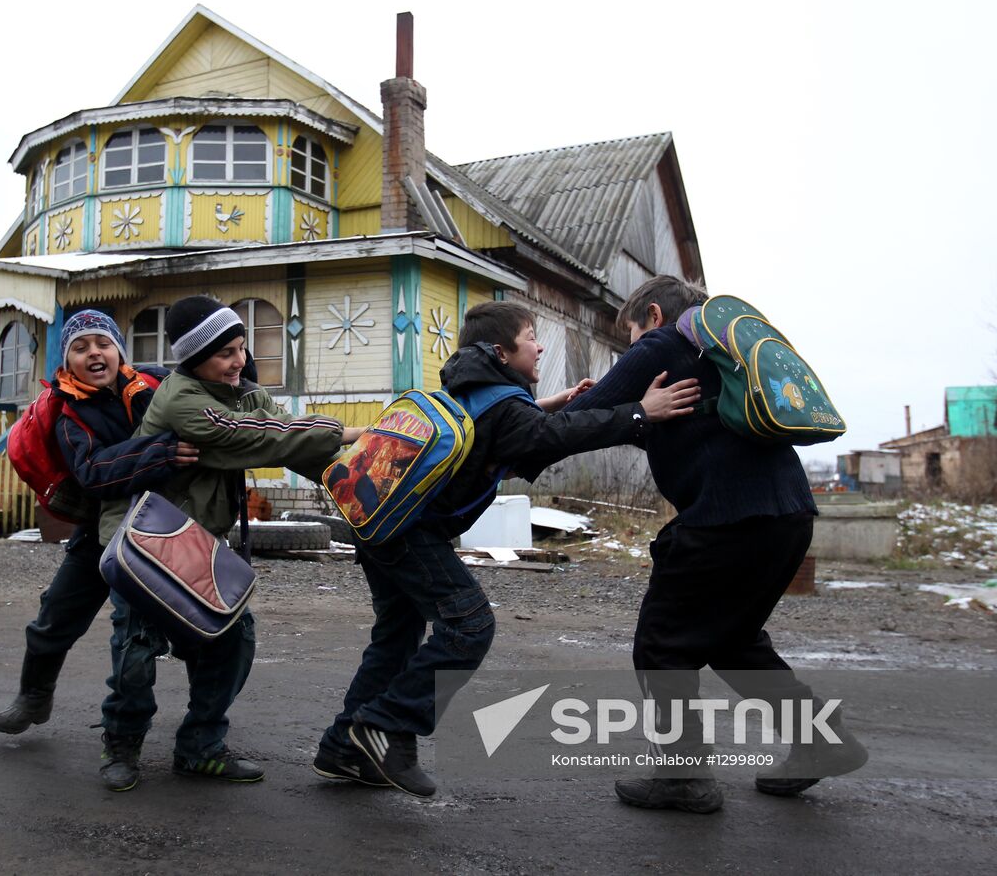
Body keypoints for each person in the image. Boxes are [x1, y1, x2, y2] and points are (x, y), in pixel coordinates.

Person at [313, 300, 701, 797]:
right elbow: (548, 439)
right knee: (470, 625)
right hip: (413, 536)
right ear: (501, 350)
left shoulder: (470, 387)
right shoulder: (504, 403)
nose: (540, 345)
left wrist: (553, 403)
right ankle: (386, 727)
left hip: (383, 529)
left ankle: (343, 750)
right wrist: (638, 413)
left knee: (396, 639)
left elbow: (511, 431)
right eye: (531, 336)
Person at [558, 275, 868, 814]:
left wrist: (521, 430)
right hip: (787, 515)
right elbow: (669, 426)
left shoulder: (660, 346)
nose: (630, 348)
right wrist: (632, 417)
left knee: (663, 646)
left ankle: (681, 779)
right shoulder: (714, 354)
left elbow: (574, 424)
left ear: (652, 316)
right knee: (732, 642)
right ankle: (822, 741)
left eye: (628, 334)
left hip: (728, 521)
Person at [99, 295, 364, 786]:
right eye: (226, 353)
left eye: (242, 349)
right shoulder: (182, 399)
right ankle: (122, 746)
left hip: (199, 540)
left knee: (232, 639)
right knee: (137, 646)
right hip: (149, 540)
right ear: (196, 358)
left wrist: (367, 471)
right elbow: (261, 437)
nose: (240, 361)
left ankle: (201, 746)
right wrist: (347, 432)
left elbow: (288, 435)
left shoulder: (243, 393)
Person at [0, 309, 200, 793]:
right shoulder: (68, 410)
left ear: (119, 350)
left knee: (184, 633)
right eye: (80, 348)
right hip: (100, 530)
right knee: (55, 617)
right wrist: (161, 453)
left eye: (101, 343)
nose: (93, 354)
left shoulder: (154, 385)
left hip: (167, 528)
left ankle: (205, 726)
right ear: (69, 362)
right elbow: (94, 473)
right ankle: (35, 697)